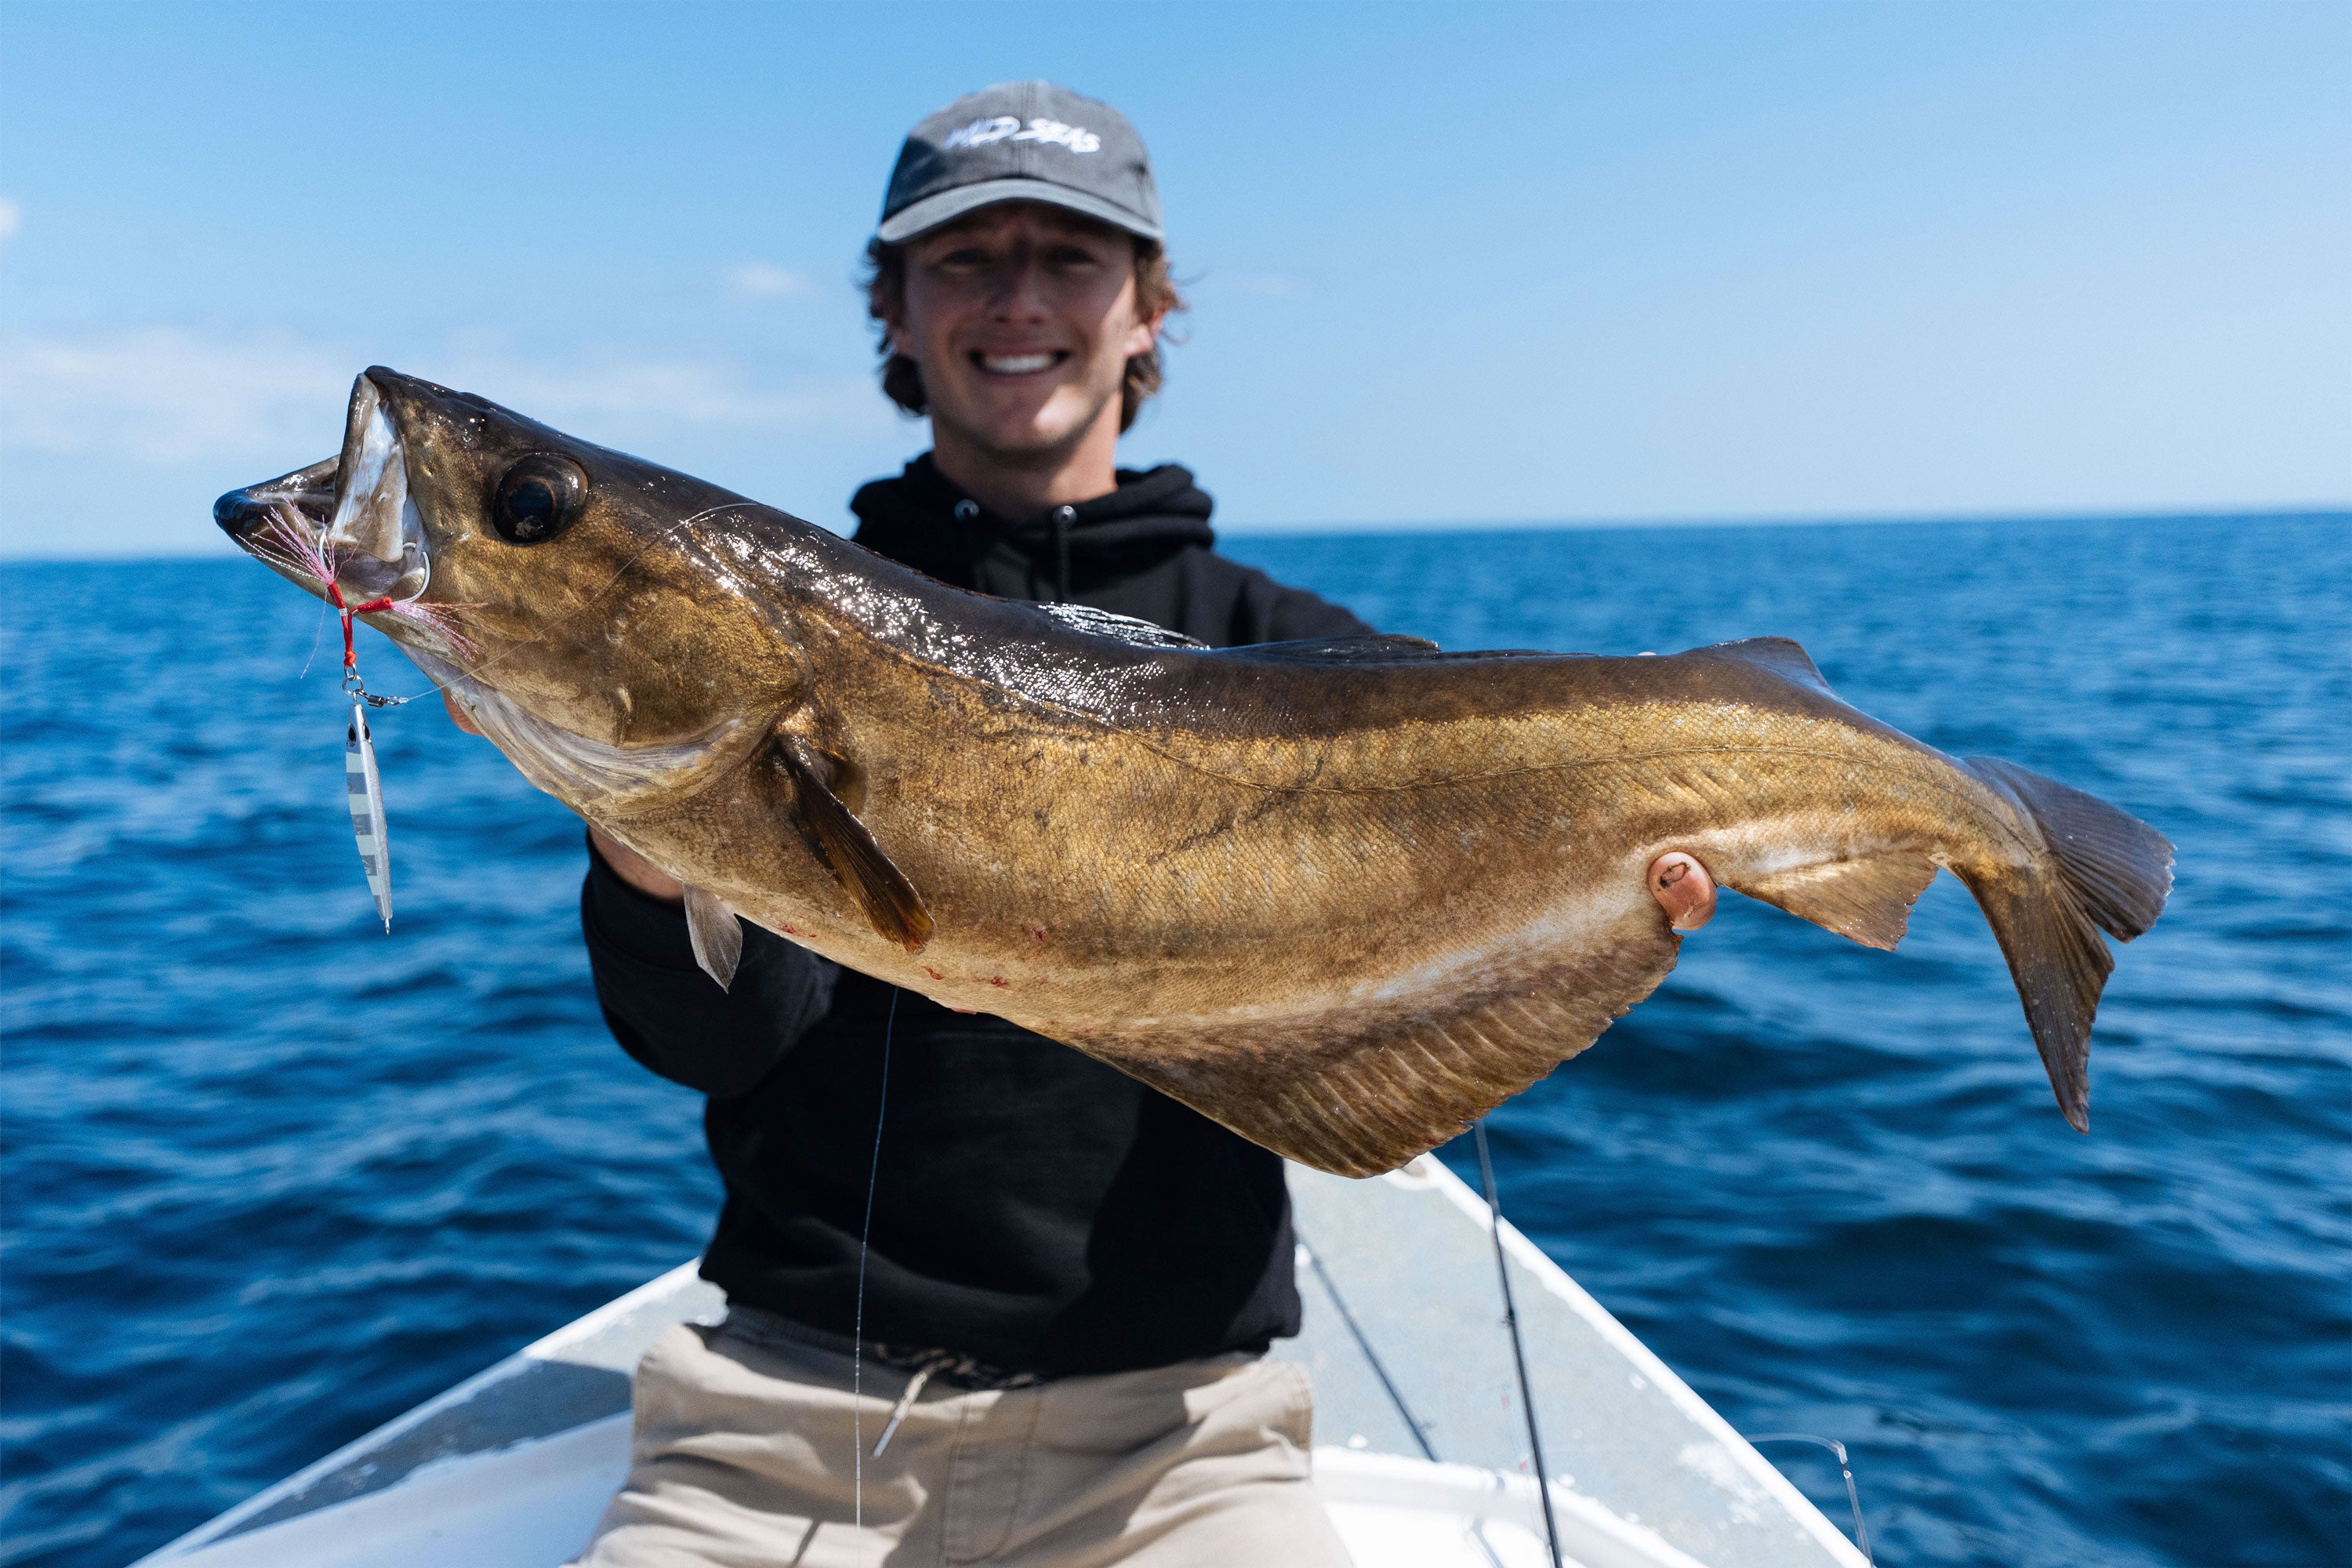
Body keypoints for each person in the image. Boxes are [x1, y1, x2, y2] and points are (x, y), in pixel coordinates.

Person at [445, 80, 1717, 1567]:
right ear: (898, 315)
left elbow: (1383, 1042)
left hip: (1181, 1448)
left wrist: (1577, 919)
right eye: (966, 261)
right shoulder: (770, 613)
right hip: (783, 1426)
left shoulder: (1298, 653)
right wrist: (658, 852)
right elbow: (718, 1044)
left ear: (1147, 310)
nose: (1018, 300)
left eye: (1070, 257)